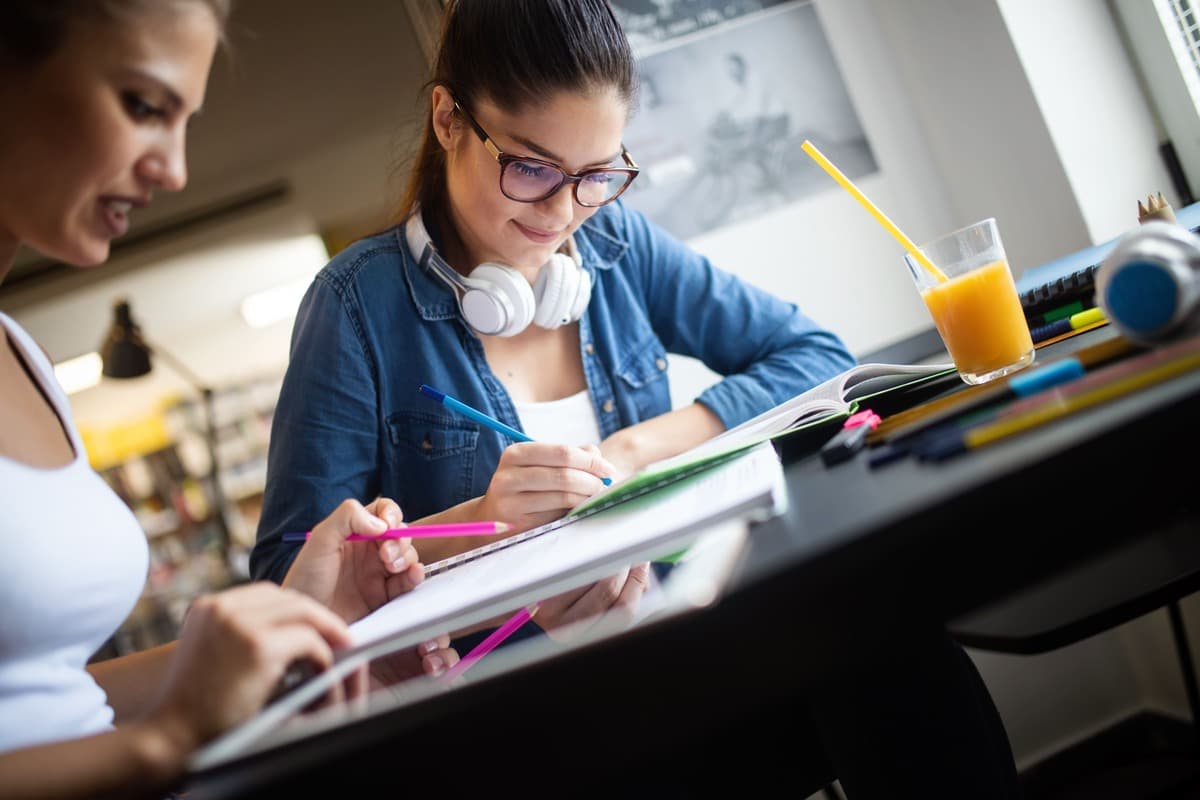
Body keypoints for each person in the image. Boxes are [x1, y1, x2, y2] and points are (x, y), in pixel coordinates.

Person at [249, 1, 1021, 796]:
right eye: (533, 169)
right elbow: (287, 578)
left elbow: (812, 356)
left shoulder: (616, 248)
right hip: (524, 711)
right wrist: (482, 520)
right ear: (448, 118)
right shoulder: (354, 308)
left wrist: (634, 451)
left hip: (680, 637)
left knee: (885, 635)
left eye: (596, 176)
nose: (562, 214)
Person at [0, 3, 457, 798]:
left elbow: (51, 708)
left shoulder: (21, 355)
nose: (174, 170)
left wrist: (293, 622)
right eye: (143, 105)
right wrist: (169, 741)